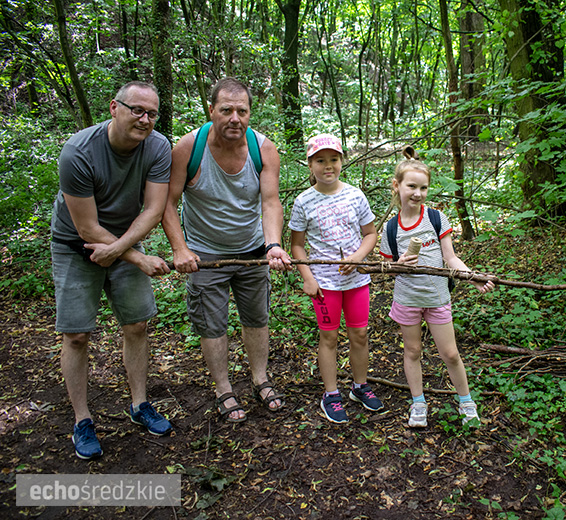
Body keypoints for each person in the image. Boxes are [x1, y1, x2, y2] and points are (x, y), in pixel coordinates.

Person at [51, 81, 173, 460]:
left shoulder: (158, 146)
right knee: (77, 335)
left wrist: (123, 250)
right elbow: (87, 229)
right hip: (75, 246)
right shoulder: (79, 151)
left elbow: (153, 208)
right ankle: (82, 420)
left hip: (124, 239)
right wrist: (137, 257)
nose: (145, 119)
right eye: (137, 110)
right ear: (114, 108)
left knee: (137, 324)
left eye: (152, 113)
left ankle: (139, 404)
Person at [162, 78, 291, 424]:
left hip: (252, 251)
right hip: (204, 255)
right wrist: (179, 249)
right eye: (226, 110)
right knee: (213, 324)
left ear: (250, 114)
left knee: (256, 317)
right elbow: (168, 204)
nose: (235, 118)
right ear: (211, 111)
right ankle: (223, 389)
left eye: (242, 111)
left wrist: (274, 244)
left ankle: (260, 379)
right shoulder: (188, 149)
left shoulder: (263, 149)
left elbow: (271, 201)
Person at [379, 151, 494, 428]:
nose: (418, 193)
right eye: (411, 186)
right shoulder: (390, 229)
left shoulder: (435, 218)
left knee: (451, 353)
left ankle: (466, 401)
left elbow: (450, 258)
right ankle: (418, 403)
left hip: (437, 298)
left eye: (423, 188)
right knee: (413, 351)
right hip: (407, 299)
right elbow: (386, 270)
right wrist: (399, 264)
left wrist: (471, 276)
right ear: (397, 186)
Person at [288, 134, 383, 423]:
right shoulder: (304, 201)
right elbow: (297, 244)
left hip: (356, 282)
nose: (328, 166)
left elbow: (370, 234)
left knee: (360, 334)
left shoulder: (355, 195)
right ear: (310, 164)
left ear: (342, 161)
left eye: (334, 159)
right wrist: (307, 277)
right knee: (328, 337)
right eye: (320, 160)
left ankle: (359, 386)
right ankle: (331, 393)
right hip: (324, 285)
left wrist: (357, 258)